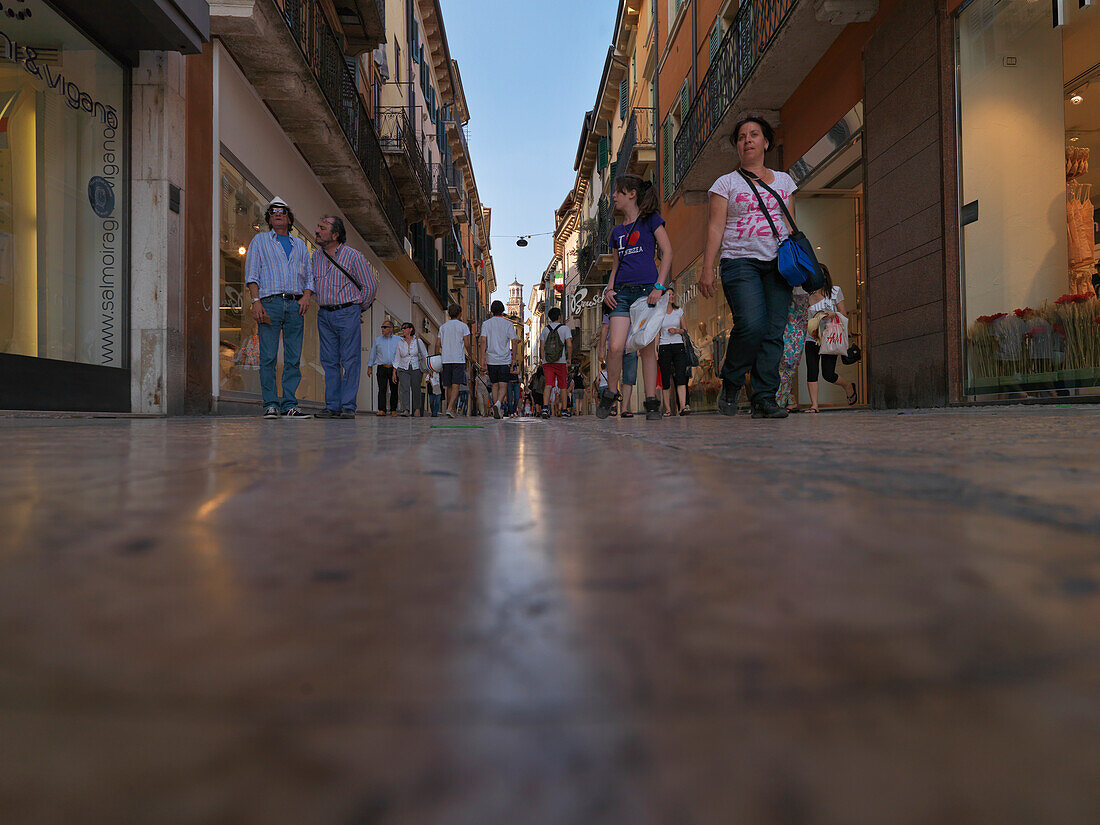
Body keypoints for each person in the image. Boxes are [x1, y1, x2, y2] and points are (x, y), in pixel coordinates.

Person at [699, 116, 794, 420]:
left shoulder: (784, 181)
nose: (748, 140)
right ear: (738, 146)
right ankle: (732, 379)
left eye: (754, 135)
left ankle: (764, 398)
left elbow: (791, 226)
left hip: (778, 263)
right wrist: (707, 268)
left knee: (773, 332)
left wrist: (798, 266)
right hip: (739, 261)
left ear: (766, 142)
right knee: (752, 324)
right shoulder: (725, 184)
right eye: (742, 137)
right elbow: (715, 228)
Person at [596, 174, 673, 421]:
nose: (614, 196)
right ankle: (611, 394)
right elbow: (616, 267)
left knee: (647, 348)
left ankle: (651, 401)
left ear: (632, 194)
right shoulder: (617, 232)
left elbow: (668, 251)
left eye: (618, 192)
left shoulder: (651, 220)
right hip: (621, 293)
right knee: (616, 346)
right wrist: (609, 290)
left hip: (646, 292)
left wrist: (659, 287)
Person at [244, 195, 314, 419]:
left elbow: (309, 277)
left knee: (293, 357)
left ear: (289, 217)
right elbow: (252, 274)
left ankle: (290, 405)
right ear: (269, 217)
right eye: (273, 211)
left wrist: (306, 297)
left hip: (295, 305)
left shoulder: (300, 245)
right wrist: (256, 301)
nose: (277, 214)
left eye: (281, 211)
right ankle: (271, 404)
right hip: (270, 303)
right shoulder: (260, 241)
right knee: (268, 356)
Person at [311, 215, 376, 420]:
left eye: (322, 228)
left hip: (348, 312)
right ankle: (332, 406)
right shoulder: (316, 257)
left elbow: (370, 286)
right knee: (329, 361)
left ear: (335, 234)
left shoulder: (353, 256)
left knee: (350, 360)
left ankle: (348, 406)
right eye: (318, 227)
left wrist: (358, 309)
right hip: (324, 314)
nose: (317, 231)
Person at [805, 264, 857, 412]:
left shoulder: (835, 291)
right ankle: (814, 405)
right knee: (812, 371)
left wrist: (831, 314)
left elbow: (844, 314)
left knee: (828, 374)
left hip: (830, 337)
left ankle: (848, 385)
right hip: (812, 337)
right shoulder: (807, 295)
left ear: (825, 276)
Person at [479, 300, 518, 419]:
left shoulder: (486, 324)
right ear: (503, 310)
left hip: (491, 359)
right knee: (503, 385)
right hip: (504, 359)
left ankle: (497, 408)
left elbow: (483, 341)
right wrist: (514, 358)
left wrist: (482, 359)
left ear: (491, 310)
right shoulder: (508, 324)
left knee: (494, 385)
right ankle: (498, 404)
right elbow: (514, 341)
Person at [656, 286, 691, 416]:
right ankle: (668, 409)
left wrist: (676, 330)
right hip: (664, 346)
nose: (671, 297)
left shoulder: (679, 311)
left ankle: (682, 406)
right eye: (668, 295)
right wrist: (655, 350)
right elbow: (657, 334)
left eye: (672, 295)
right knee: (665, 378)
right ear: (663, 297)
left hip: (678, 345)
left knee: (681, 376)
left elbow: (685, 330)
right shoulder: (659, 313)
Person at [776, 287, 810, 413]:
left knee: (787, 367)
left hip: (794, 332)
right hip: (789, 331)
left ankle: (780, 401)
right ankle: (789, 400)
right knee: (784, 366)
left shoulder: (805, 288)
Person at [437, 304, 470, 418]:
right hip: (458, 359)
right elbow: (467, 343)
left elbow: (437, 344)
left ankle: (453, 409)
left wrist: (437, 357)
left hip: (446, 359)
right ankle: (449, 407)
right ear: (460, 313)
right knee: (456, 384)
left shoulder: (443, 327)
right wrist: (470, 355)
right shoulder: (463, 326)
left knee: (449, 385)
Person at [539, 306, 572, 418]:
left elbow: (542, 347)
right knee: (563, 386)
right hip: (561, 361)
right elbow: (569, 344)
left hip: (547, 362)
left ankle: (544, 409)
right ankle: (563, 410)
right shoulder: (565, 329)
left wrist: (543, 359)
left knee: (548, 385)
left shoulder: (545, 329)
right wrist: (569, 358)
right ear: (559, 316)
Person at [395, 321, 429, 416]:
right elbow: (397, 358)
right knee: (404, 388)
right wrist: (394, 371)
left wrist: (429, 369)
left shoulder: (418, 341)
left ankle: (417, 409)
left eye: (405, 328)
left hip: (416, 367)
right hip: (403, 368)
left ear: (411, 329)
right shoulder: (400, 343)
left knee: (416, 388)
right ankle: (406, 409)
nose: (403, 329)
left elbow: (425, 355)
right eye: (402, 328)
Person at [367, 321, 399, 416]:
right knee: (382, 389)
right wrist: (370, 367)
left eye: (385, 327)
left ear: (391, 329)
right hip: (382, 368)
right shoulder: (377, 340)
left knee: (394, 389)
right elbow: (373, 354)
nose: (382, 329)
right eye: (382, 327)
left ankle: (393, 409)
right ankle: (382, 409)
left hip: (394, 369)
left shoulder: (399, 340)